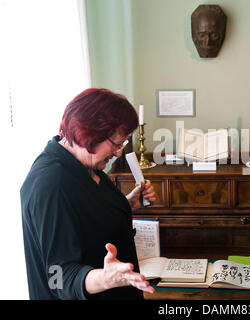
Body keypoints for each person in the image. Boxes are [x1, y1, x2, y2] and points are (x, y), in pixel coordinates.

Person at [21, 88, 156, 300]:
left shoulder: (86, 164)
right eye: (117, 144)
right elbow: (58, 277)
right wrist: (106, 279)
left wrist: (126, 204)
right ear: (90, 134)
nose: (119, 152)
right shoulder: (51, 184)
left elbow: (85, 216)